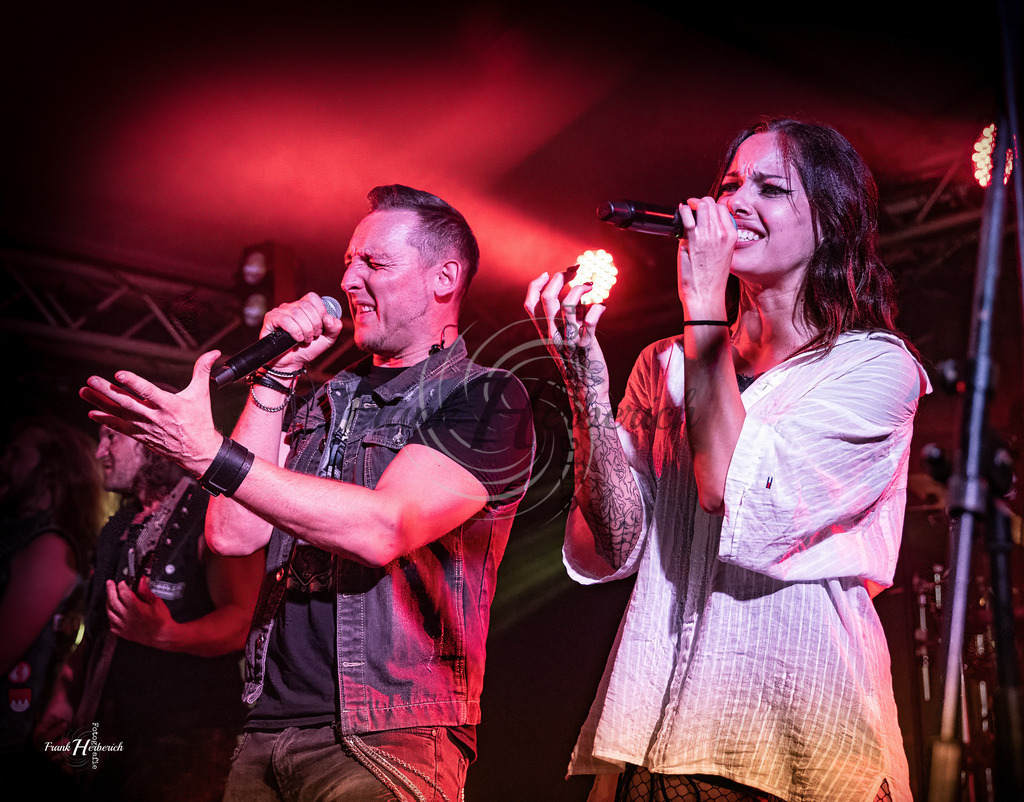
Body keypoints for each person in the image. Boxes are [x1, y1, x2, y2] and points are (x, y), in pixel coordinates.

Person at [79, 184, 536, 800]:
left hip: (389, 738)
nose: (349, 281)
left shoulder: (483, 396)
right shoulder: (326, 399)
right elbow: (231, 534)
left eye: (375, 263)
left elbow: (384, 529)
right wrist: (277, 374)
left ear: (444, 277)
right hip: (266, 729)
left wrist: (207, 452)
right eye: (349, 262)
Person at [526, 118, 930, 802]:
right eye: (729, 184)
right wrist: (584, 384)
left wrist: (704, 302)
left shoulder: (873, 368)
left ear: (830, 223)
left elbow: (730, 489)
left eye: (770, 189)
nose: (736, 203)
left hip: (789, 746)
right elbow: (616, 539)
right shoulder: (665, 364)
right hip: (649, 743)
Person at [36, 424, 263, 801]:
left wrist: (168, 635)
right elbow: (98, 631)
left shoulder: (214, 512)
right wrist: (65, 693)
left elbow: (243, 620)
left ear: (152, 442)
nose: (99, 452)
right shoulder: (120, 526)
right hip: (106, 731)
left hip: (183, 737)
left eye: (111, 436)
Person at [1, 417, 106, 784]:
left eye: (16, 454)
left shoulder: (48, 547)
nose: (3, 463)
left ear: (50, 471)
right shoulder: (21, 536)